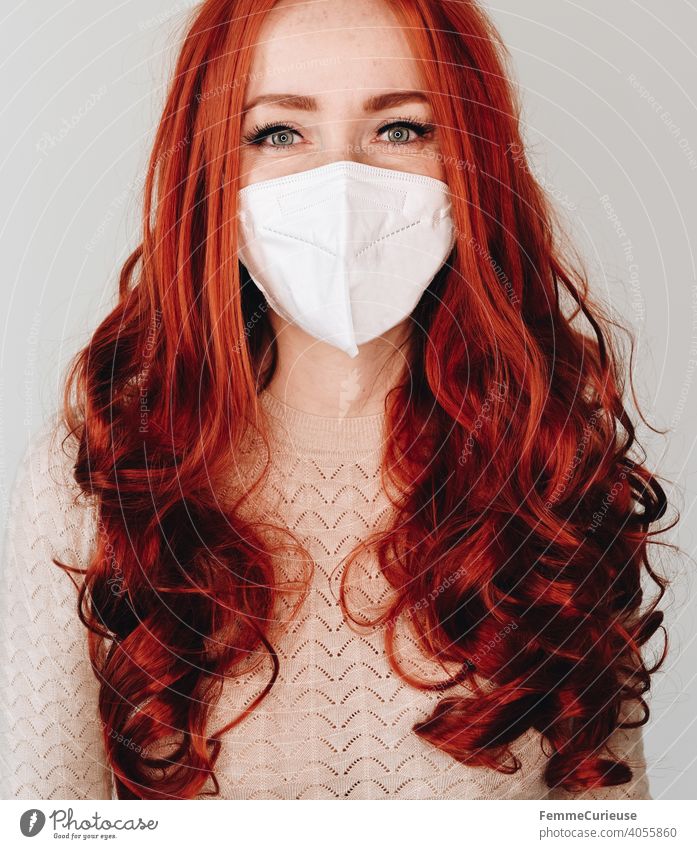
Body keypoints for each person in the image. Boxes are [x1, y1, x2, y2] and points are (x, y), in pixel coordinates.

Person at [1, 0, 671, 800]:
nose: (343, 182)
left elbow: (606, 806)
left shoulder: (550, 458)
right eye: (279, 132)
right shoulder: (101, 476)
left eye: (402, 128)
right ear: (213, 166)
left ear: (471, 159)